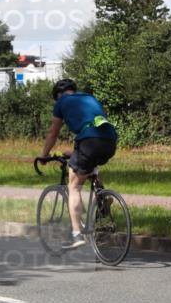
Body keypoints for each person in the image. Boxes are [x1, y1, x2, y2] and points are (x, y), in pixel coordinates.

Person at [40, 79, 118, 249]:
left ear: (58, 95)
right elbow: (97, 122)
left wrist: (44, 156)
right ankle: (102, 198)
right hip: (110, 140)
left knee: (74, 186)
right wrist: (75, 151)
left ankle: (77, 235)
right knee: (90, 163)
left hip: (88, 142)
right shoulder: (89, 98)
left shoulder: (61, 102)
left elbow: (53, 133)